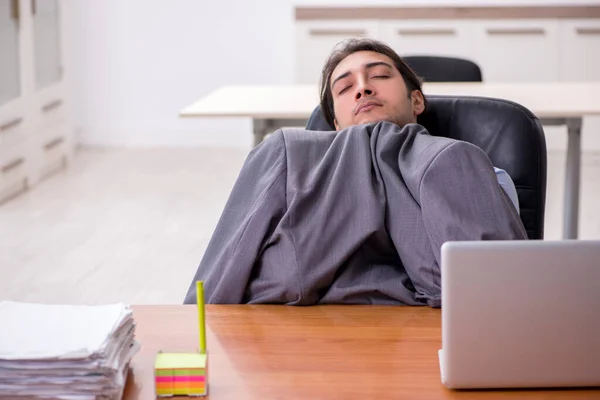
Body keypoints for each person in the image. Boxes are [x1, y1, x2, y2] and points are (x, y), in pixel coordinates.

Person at [184, 38, 527, 307]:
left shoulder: (469, 167)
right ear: (335, 123)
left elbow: (498, 300)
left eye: (379, 75)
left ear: (417, 101)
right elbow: (218, 285)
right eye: (345, 88)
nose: (363, 88)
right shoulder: (285, 157)